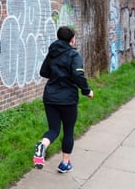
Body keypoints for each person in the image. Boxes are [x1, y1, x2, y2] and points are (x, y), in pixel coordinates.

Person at [34, 26, 94, 173]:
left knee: (53, 129)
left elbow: (43, 71)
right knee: (68, 130)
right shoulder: (74, 55)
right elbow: (78, 75)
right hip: (67, 99)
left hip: (50, 97)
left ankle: (43, 144)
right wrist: (87, 91)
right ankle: (65, 163)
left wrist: (57, 75)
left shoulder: (52, 53)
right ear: (72, 40)